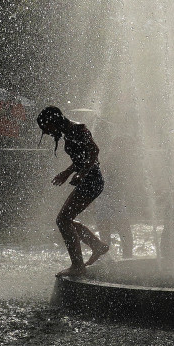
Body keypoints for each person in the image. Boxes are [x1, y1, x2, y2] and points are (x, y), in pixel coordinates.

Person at [37, 106, 109, 277]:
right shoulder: (69, 132)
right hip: (89, 180)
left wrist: (82, 173)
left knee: (63, 220)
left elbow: (94, 152)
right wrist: (67, 172)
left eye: (46, 128)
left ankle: (78, 265)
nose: (46, 133)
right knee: (65, 220)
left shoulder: (77, 129)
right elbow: (81, 158)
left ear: (53, 121)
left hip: (91, 181)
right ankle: (97, 245)